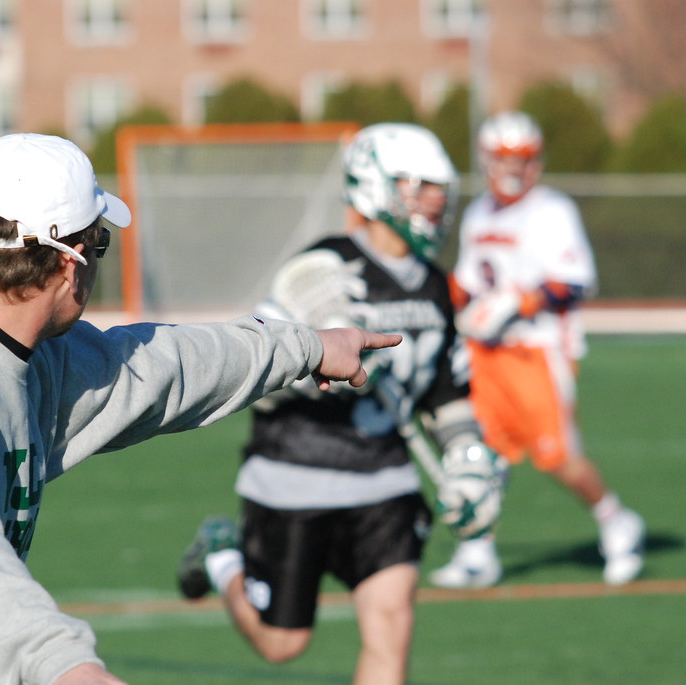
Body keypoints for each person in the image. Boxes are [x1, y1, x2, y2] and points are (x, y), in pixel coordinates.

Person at [0, 133, 401, 685]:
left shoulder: (16, 354)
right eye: (98, 242)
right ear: (68, 260)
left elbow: (160, 366)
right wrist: (66, 668)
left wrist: (307, 345)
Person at [175, 123, 503, 685]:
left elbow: (445, 393)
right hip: (297, 470)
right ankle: (221, 554)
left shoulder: (433, 287)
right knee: (282, 644)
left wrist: (468, 455)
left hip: (386, 479)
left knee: (390, 627)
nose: (433, 201)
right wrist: (320, 357)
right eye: (416, 186)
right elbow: (262, 369)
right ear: (375, 186)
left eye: (437, 189)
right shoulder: (321, 268)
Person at [431, 111, 646, 589]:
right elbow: (467, 283)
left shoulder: (551, 211)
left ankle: (616, 522)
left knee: (556, 456)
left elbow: (572, 282)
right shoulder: (480, 213)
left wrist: (518, 301)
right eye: (505, 159)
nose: (515, 169)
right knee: (485, 453)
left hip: (537, 350)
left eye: (524, 159)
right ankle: (478, 550)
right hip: (486, 354)